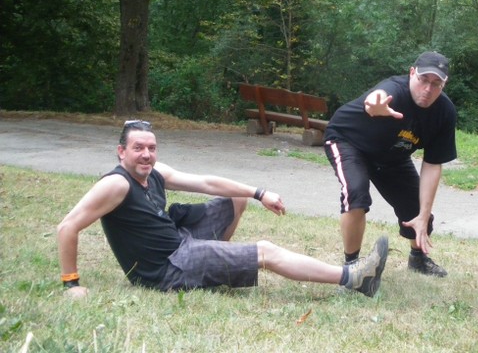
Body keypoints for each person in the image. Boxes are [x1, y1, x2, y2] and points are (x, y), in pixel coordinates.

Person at [57, 120, 388, 298]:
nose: (146, 154)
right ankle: (353, 278)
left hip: (179, 242)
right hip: (166, 269)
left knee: (234, 198)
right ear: (121, 152)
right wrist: (72, 284)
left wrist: (258, 193)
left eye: (151, 148)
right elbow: (67, 227)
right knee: (266, 251)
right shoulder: (116, 184)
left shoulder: (153, 172)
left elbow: (206, 182)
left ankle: (217, 261)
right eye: (138, 148)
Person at [324, 51, 457, 278]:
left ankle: (418, 258)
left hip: (393, 156)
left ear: (444, 84)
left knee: (418, 209)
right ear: (412, 73)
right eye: (423, 79)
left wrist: (424, 214)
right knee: (356, 194)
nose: (428, 89)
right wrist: (374, 105)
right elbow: (377, 97)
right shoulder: (394, 90)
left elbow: (433, 164)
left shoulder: (444, 112)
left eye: (436, 84)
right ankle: (352, 268)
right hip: (348, 142)